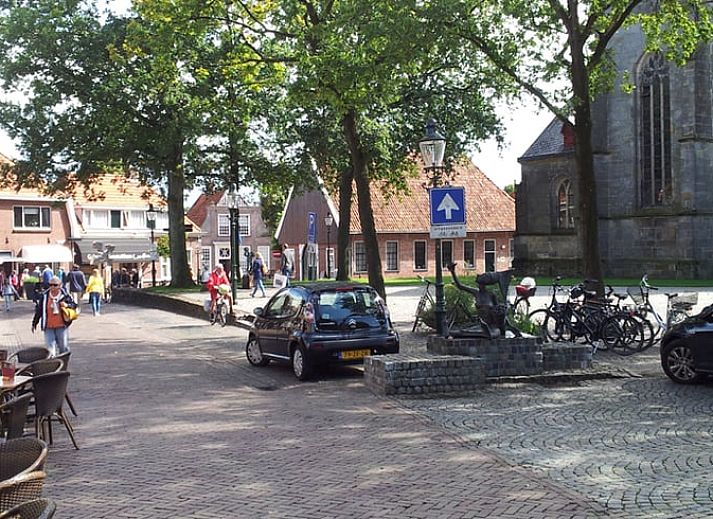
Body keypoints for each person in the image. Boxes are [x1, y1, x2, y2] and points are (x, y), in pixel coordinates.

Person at [31, 275, 77, 356]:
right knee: (50, 349)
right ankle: (53, 365)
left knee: (63, 348)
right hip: (48, 326)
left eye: (55, 285)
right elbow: (39, 310)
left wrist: (67, 305)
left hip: (61, 326)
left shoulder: (65, 295)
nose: (52, 287)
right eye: (50, 285)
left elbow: (74, 305)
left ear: (60, 285)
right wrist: (34, 323)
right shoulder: (45, 296)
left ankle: (63, 364)